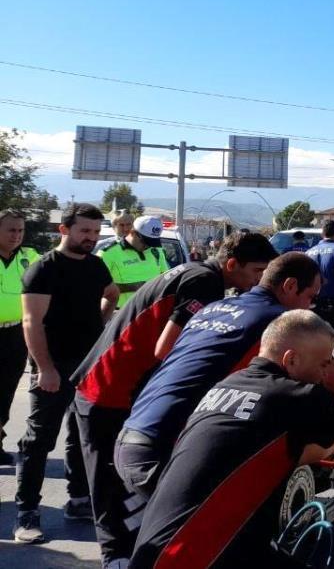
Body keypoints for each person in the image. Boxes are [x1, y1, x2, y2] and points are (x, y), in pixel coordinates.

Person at [71, 232, 278, 567]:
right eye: (256, 272)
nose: (259, 282)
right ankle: (115, 558)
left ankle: (131, 552)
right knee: (111, 481)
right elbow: (167, 348)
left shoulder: (194, 272)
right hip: (109, 386)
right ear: (231, 264)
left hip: (115, 384)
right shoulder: (204, 281)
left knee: (126, 479)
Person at [129, 310, 334, 568]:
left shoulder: (225, 385)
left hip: (161, 549)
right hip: (200, 555)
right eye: (324, 363)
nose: (325, 373)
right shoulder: (298, 396)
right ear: (291, 360)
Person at [114, 252, 322, 498]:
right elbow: (319, 374)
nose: (309, 307)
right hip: (165, 451)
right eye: (310, 297)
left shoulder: (213, 308)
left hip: (130, 437)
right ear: (290, 286)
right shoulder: (279, 322)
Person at [15, 203, 120, 544]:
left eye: (94, 232)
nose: (91, 238)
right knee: (39, 439)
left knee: (81, 434)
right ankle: (27, 512)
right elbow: (31, 323)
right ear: (64, 230)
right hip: (53, 365)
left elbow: (112, 294)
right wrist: (45, 368)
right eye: (84, 231)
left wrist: (102, 325)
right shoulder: (43, 269)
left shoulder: (97, 266)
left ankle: (78, 500)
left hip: (88, 365)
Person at [0, 210, 40, 466]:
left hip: (16, 334)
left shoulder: (30, 257)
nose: (16, 236)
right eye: (11, 230)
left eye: (20, 230)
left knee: (5, 391)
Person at [100, 215, 170, 308]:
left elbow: (165, 278)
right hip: (119, 314)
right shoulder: (108, 253)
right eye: (145, 242)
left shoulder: (156, 250)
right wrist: (133, 287)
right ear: (132, 232)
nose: (147, 246)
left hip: (150, 311)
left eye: (152, 242)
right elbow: (94, 287)